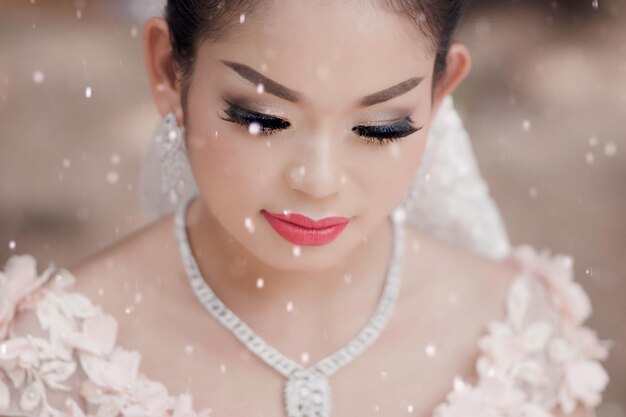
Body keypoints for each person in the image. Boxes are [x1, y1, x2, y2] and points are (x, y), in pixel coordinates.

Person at [0, 1, 610, 416]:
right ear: (167, 70)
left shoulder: (521, 334)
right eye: (262, 119)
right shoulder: (50, 361)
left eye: (379, 128)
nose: (317, 181)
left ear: (441, 89)